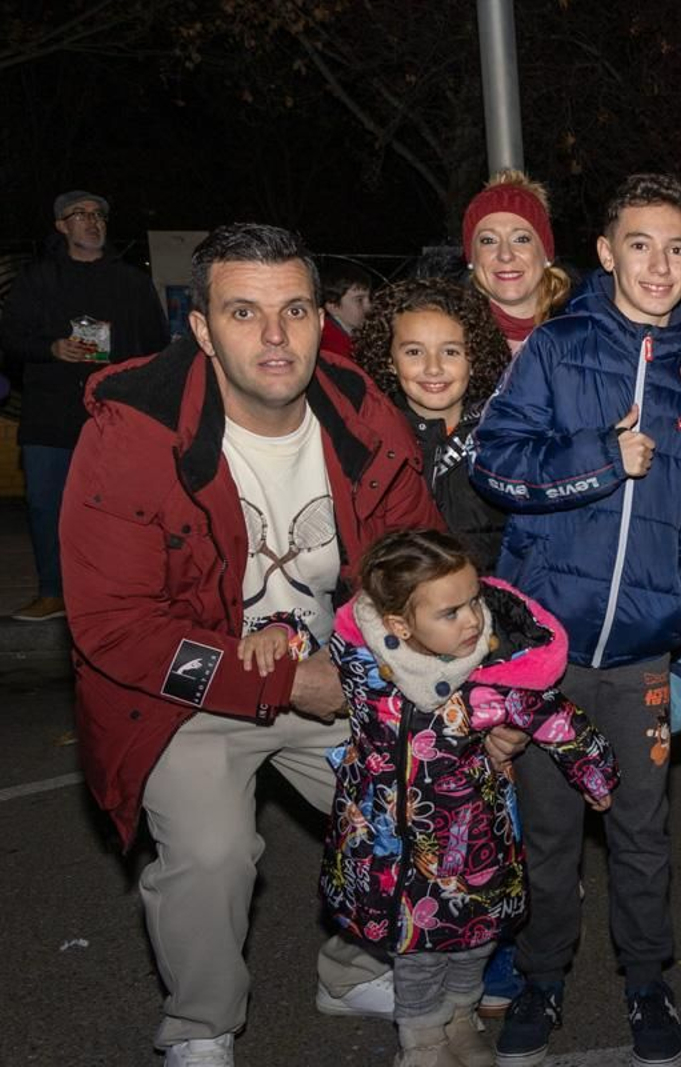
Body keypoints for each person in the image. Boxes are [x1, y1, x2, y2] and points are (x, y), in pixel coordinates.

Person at [58, 223, 450, 1066]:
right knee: (211, 852)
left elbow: (418, 564)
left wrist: (431, 673)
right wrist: (280, 684)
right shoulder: (133, 432)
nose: (275, 337)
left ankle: (351, 969)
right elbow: (115, 627)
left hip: (335, 672)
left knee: (425, 801)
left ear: (320, 318)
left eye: (294, 310)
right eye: (244, 312)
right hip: (189, 688)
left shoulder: (360, 412)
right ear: (201, 328)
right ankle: (200, 1025)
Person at [470, 173, 681, 1067]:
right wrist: (602, 457)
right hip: (547, 653)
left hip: (642, 655)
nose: (659, 263)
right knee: (548, 832)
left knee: (642, 834)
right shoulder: (555, 345)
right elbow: (494, 463)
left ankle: (648, 980)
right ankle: (541, 978)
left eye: (677, 248)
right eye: (640, 244)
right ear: (607, 252)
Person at [313, 529, 617, 1067]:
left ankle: (459, 1013)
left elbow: (556, 718)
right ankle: (422, 1039)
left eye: (474, 600)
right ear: (398, 626)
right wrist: (274, 632)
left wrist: (596, 774)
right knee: (416, 950)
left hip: (470, 839)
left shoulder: (493, 678)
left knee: (476, 937)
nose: (473, 620)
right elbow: (301, 643)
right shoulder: (360, 661)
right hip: (390, 845)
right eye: (450, 612)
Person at [0, 189, 168, 621]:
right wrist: (51, 348)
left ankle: (119, 593)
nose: (92, 221)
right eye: (80, 214)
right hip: (50, 413)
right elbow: (11, 338)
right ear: (61, 225)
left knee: (119, 508)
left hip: (116, 416)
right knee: (45, 504)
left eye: (99, 215)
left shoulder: (131, 282)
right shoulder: (37, 279)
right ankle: (53, 592)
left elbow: (157, 345)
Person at [352, 278, 512, 572]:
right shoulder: (371, 441)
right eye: (414, 352)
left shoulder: (503, 434)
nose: (433, 368)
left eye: (450, 351)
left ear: (474, 357)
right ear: (389, 360)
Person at [461, 169, 572, 349]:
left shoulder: (585, 335)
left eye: (521, 239)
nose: (505, 255)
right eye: (488, 240)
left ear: (546, 254)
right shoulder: (449, 340)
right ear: (471, 258)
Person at [318, 258, 374, 360]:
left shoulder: (355, 336)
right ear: (333, 307)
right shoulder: (331, 350)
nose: (369, 306)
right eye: (359, 300)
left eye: (369, 298)